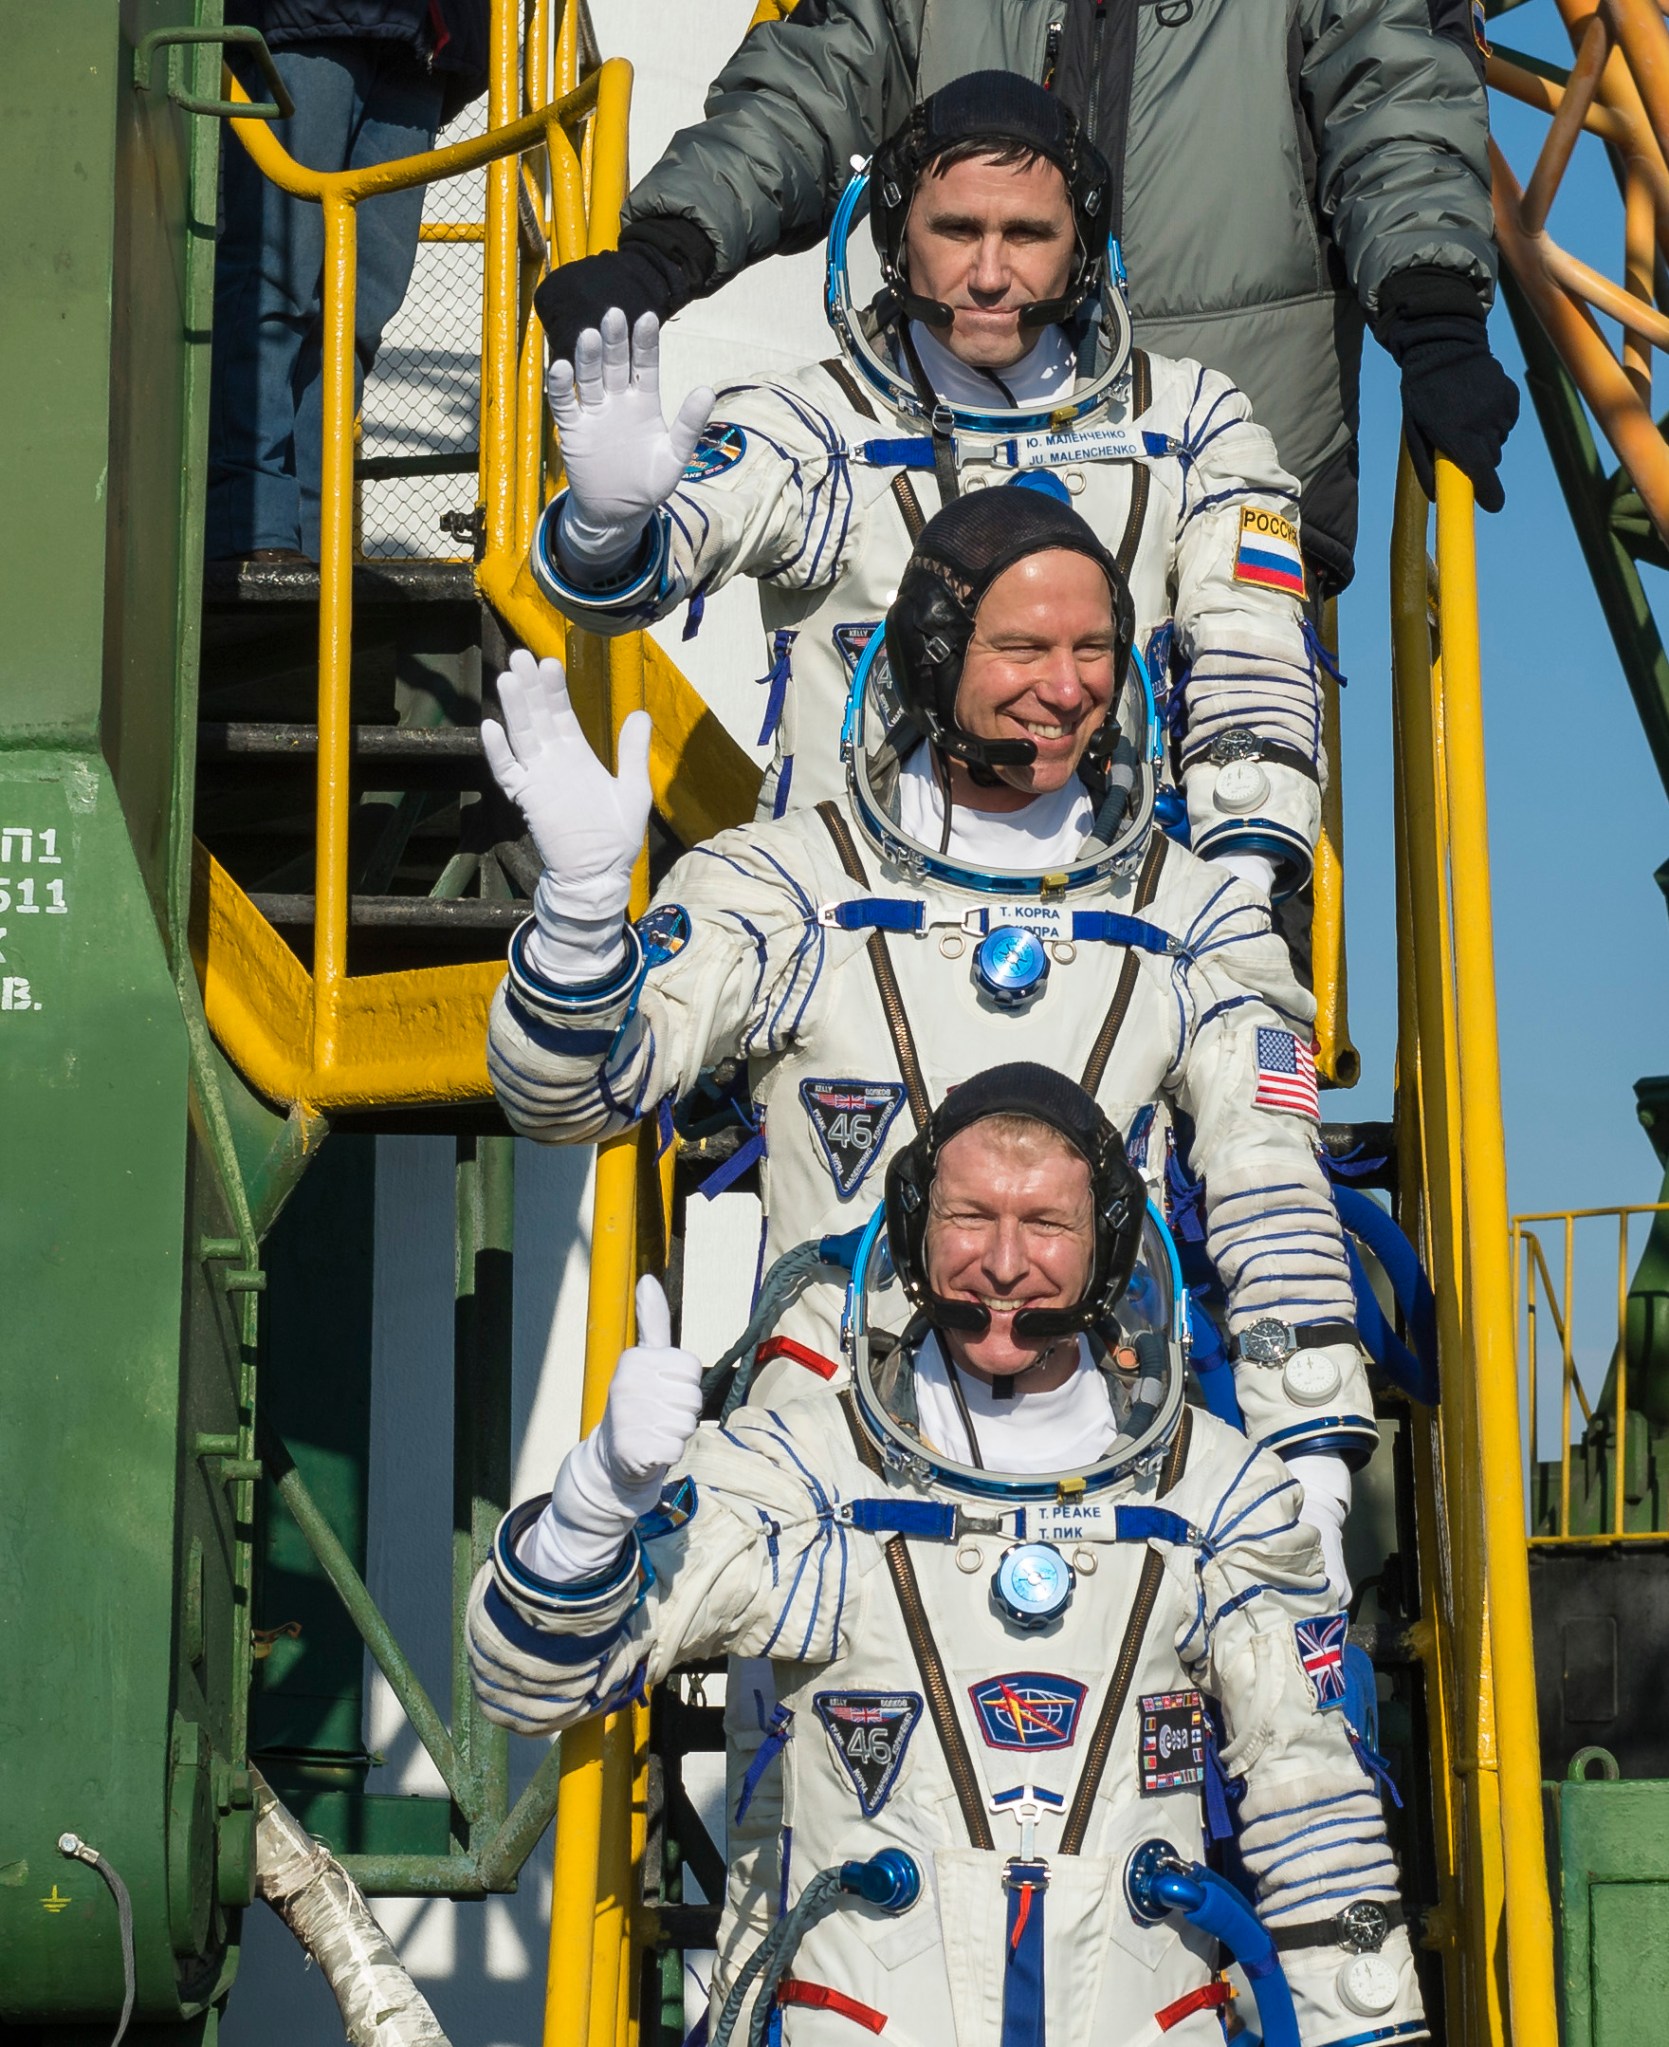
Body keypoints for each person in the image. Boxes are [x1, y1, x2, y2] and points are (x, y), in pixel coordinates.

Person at [482, 487, 1371, 1584]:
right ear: (933, 655)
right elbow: (564, 1095)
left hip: (1104, 1464)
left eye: (1094, 647)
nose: (1066, 686)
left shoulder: (1199, 926)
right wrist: (576, 925)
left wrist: (1312, 1455)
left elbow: (1271, 1186)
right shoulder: (787, 888)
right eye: (1022, 647)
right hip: (825, 1484)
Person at [469, 1065, 1427, 2046]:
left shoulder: (1212, 1494)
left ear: (1105, 1246)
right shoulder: (812, 1472)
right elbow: (529, 1682)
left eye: (1046, 1224)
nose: (1004, 1264)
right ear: (916, 1233)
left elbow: (1316, 1810)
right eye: (970, 1216)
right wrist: (596, 1500)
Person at [534, 73, 1325, 900]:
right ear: (898, 235)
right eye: (955, 230)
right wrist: (605, 533)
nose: (988, 274)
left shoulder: (1194, 428)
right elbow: (658, 560)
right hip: (844, 927)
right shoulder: (814, 425)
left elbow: (1251, 641)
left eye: (1026, 234)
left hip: (1123, 921)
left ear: (1081, 246)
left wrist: (1238, 876)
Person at [533, 0, 1518, 595]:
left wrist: (1433, 313)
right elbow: (809, 88)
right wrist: (667, 249)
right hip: (937, 484)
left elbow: (1394, 111)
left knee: (1222, 859)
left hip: (1209, 504)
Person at [209, 2, 490, 564]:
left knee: (355, 319)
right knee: (276, 280)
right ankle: (253, 521)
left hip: (429, 38)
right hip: (307, 16)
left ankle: (315, 542)